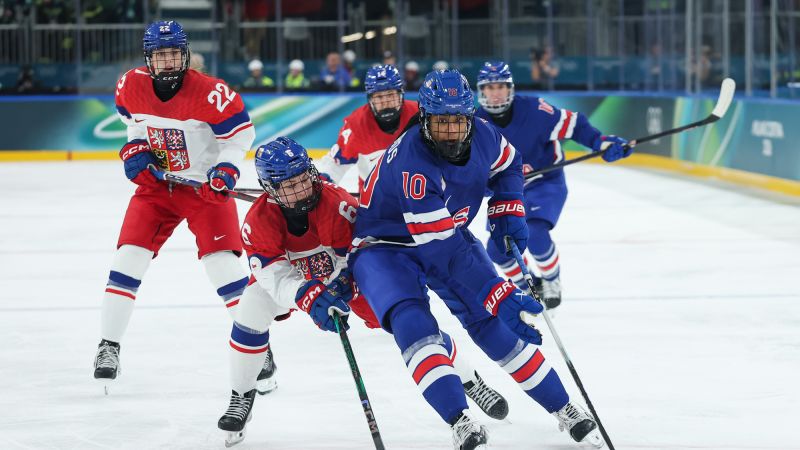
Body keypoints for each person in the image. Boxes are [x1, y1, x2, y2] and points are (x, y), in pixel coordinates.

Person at [350, 69, 603, 449]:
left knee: (490, 324)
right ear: (424, 119)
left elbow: (508, 166)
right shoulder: (413, 166)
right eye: (440, 122)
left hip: (444, 231)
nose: (450, 132)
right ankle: (459, 418)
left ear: (470, 118)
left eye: (457, 121)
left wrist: (508, 207)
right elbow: (444, 252)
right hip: (383, 247)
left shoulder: (485, 133)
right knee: (414, 323)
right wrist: (497, 291)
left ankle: (564, 409)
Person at [217, 137, 508, 446]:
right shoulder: (257, 222)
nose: (302, 189)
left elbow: (357, 256)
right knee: (250, 308)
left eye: (304, 178)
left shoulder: (337, 204)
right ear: (270, 188)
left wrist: (343, 284)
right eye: (290, 185)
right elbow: (273, 276)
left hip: (347, 279)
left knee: (409, 327)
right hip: (297, 282)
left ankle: (467, 378)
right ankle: (241, 394)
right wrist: (305, 293)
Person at [92, 20, 265, 393]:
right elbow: (135, 126)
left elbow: (240, 137)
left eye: (173, 53)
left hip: (204, 189)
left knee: (221, 266)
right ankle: (108, 345)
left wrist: (226, 168)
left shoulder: (212, 93)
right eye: (160, 55)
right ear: (148, 58)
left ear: (184, 55)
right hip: (157, 188)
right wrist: (135, 149)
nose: (167, 61)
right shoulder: (130, 85)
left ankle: (257, 348)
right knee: (128, 259)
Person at [475, 61, 632, 309]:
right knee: (496, 251)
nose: (495, 93)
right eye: (489, 87)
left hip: (544, 182)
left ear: (510, 89)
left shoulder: (536, 111)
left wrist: (600, 142)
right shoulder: (474, 124)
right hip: (506, 191)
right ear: (481, 92)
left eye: (501, 87)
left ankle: (551, 279)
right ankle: (529, 286)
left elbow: (574, 123)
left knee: (535, 232)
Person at [316, 64, 418, 191]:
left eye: (391, 95)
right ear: (370, 99)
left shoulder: (419, 115)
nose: (386, 102)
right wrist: (321, 189)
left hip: (416, 192)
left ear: (401, 95)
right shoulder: (356, 125)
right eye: (379, 97)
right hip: (374, 197)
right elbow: (336, 164)